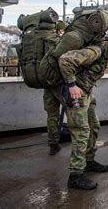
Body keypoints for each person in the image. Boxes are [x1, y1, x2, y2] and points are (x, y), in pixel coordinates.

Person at [59, 36, 108, 190]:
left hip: (86, 94)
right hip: (76, 95)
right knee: (81, 132)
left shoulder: (104, 55)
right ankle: (75, 175)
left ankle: (88, 161)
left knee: (94, 126)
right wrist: (72, 84)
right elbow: (65, 60)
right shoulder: (95, 51)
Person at [43, 20, 67, 156]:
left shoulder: (45, 43)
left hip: (47, 83)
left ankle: (53, 143)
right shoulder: (60, 43)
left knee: (52, 115)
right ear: (59, 31)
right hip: (59, 84)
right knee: (73, 111)